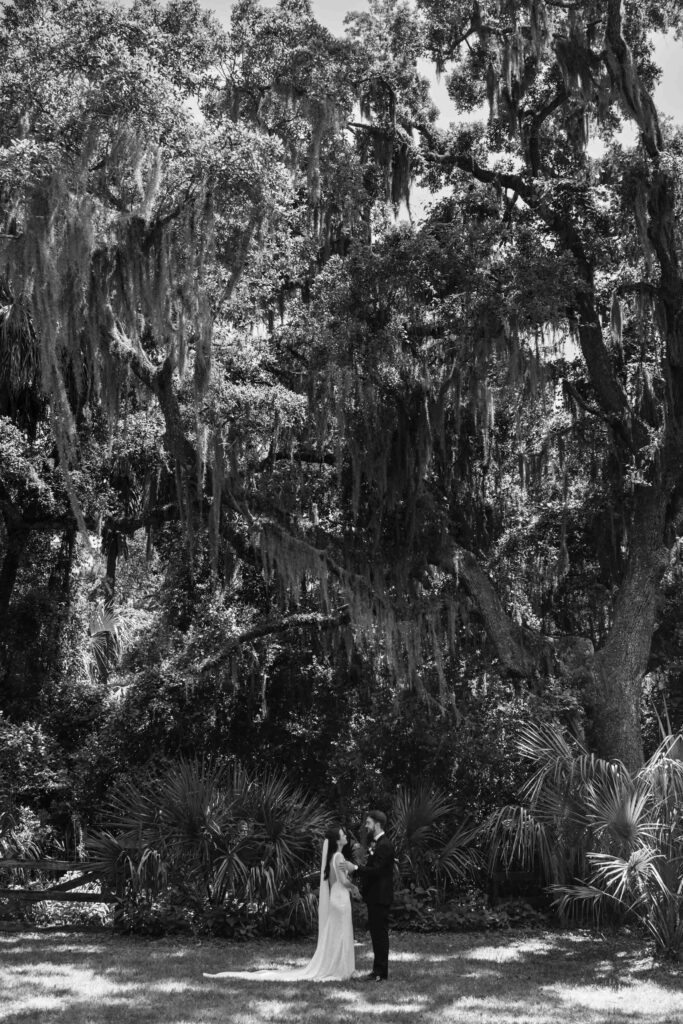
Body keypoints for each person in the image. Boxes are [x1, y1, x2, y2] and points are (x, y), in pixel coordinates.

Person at [203, 825, 359, 983]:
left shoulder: (333, 857)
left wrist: (353, 869)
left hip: (335, 898)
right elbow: (344, 881)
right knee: (341, 933)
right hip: (341, 900)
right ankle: (341, 968)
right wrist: (354, 888)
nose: (345, 835)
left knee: (337, 933)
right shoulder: (338, 857)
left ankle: (339, 966)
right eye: (342, 834)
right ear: (336, 840)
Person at [356, 809, 395, 982]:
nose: (366, 825)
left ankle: (380, 972)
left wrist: (356, 869)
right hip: (374, 896)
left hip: (380, 897)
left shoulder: (385, 844)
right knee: (376, 934)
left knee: (380, 935)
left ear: (377, 824)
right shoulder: (377, 843)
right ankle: (377, 970)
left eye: (369, 823)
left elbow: (377, 871)